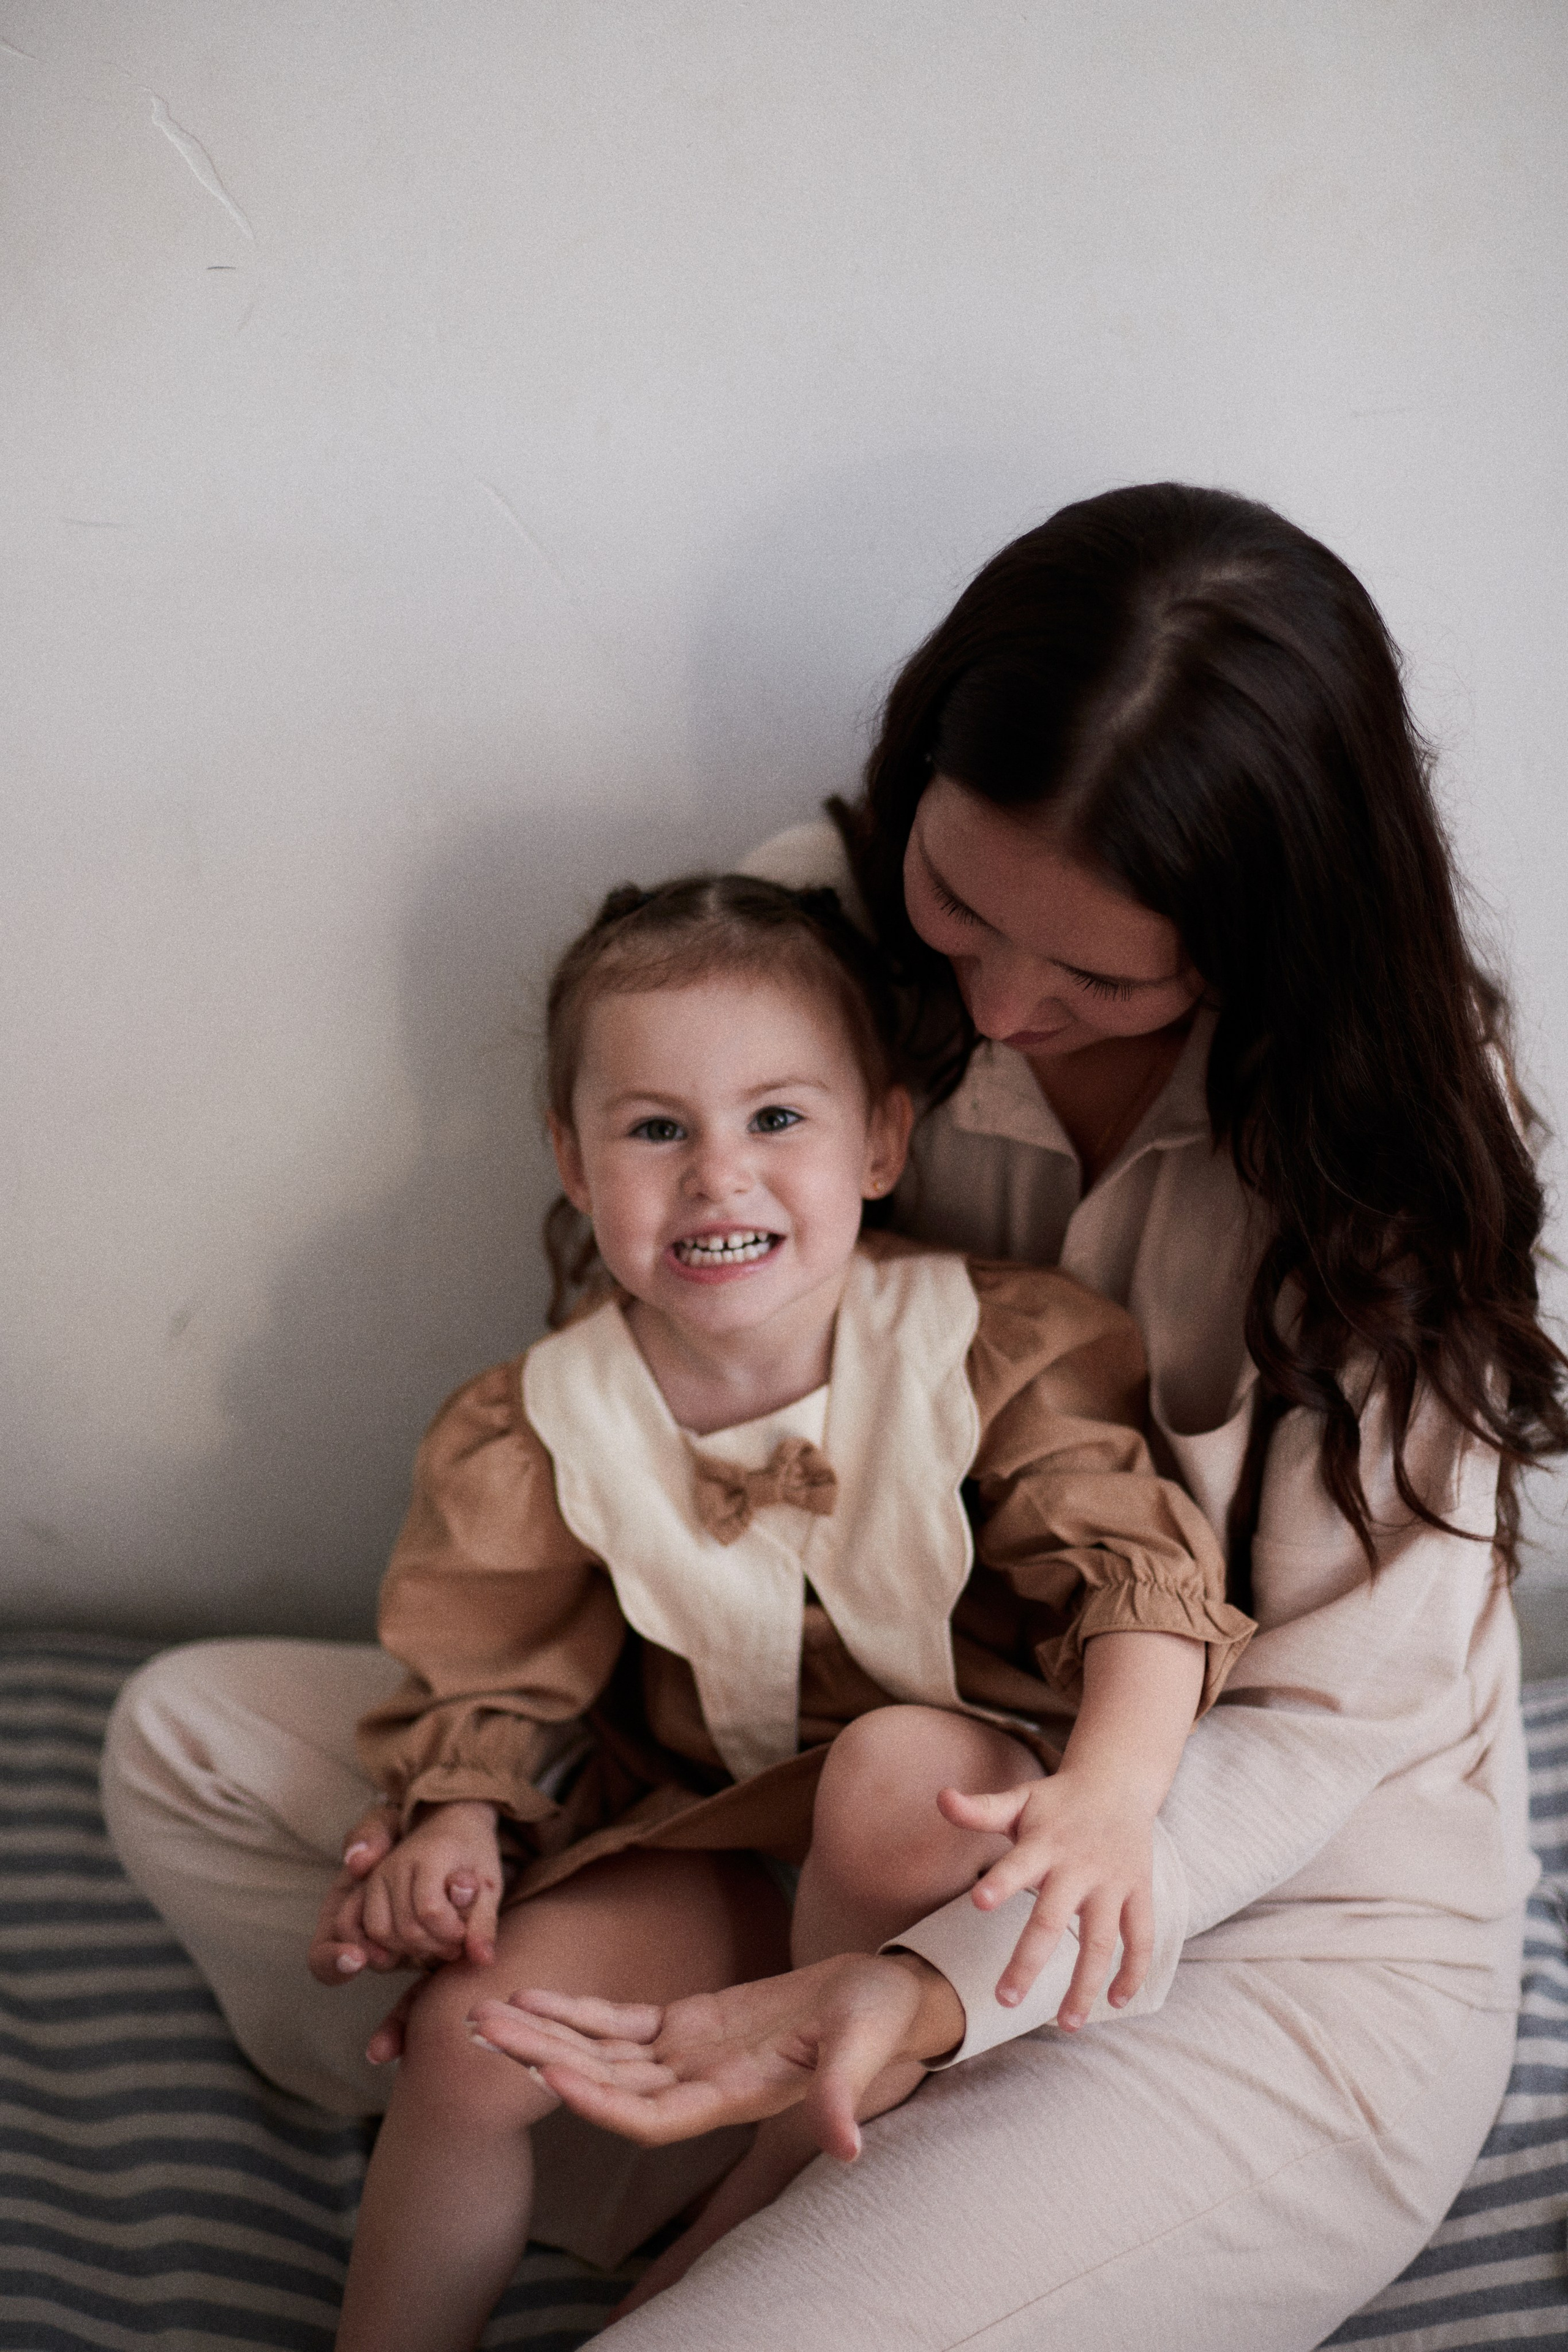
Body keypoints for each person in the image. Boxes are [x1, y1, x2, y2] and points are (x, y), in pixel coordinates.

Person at [102, 480, 1566, 2352]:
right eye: (959, 908)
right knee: (187, 1756)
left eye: (1105, 975)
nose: (1004, 1002)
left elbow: (1332, 1714)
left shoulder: (1399, 1126)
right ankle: (714, 2143)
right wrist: (476, 1800)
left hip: (1228, 1902)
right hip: (806, 1786)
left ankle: (809, 2183)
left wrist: (942, 1981)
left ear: (1270, 939)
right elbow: (639, 1390)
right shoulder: (811, 925)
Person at [325, 870, 1253, 2351]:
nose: (717, 1178)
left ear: (882, 1138)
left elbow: (1135, 1577)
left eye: (776, 1119)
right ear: (571, 1159)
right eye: (653, 1130)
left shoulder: (978, 1345)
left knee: (895, 1766)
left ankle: (766, 2182)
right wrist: (450, 1821)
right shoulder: (546, 1417)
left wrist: (1108, 1798)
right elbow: (490, 1675)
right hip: (730, 1844)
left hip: (949, 1869)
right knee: (469, 2033)